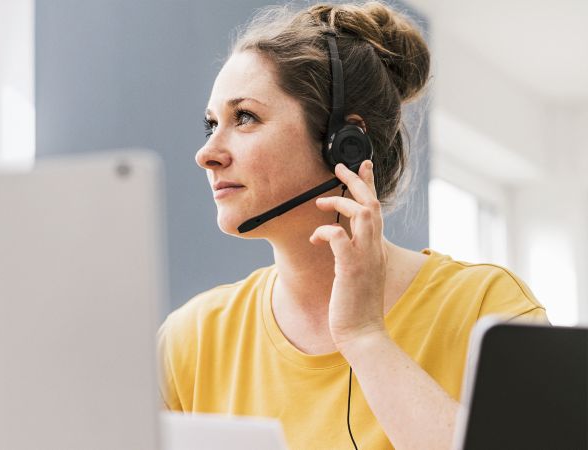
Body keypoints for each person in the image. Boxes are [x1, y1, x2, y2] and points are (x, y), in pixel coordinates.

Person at [157, 2, 548, 449]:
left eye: (245, 117)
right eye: (211, 125)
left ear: (345, 142)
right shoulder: (192, 339)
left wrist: (364, 337)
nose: (206, 153)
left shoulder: (487, 309)